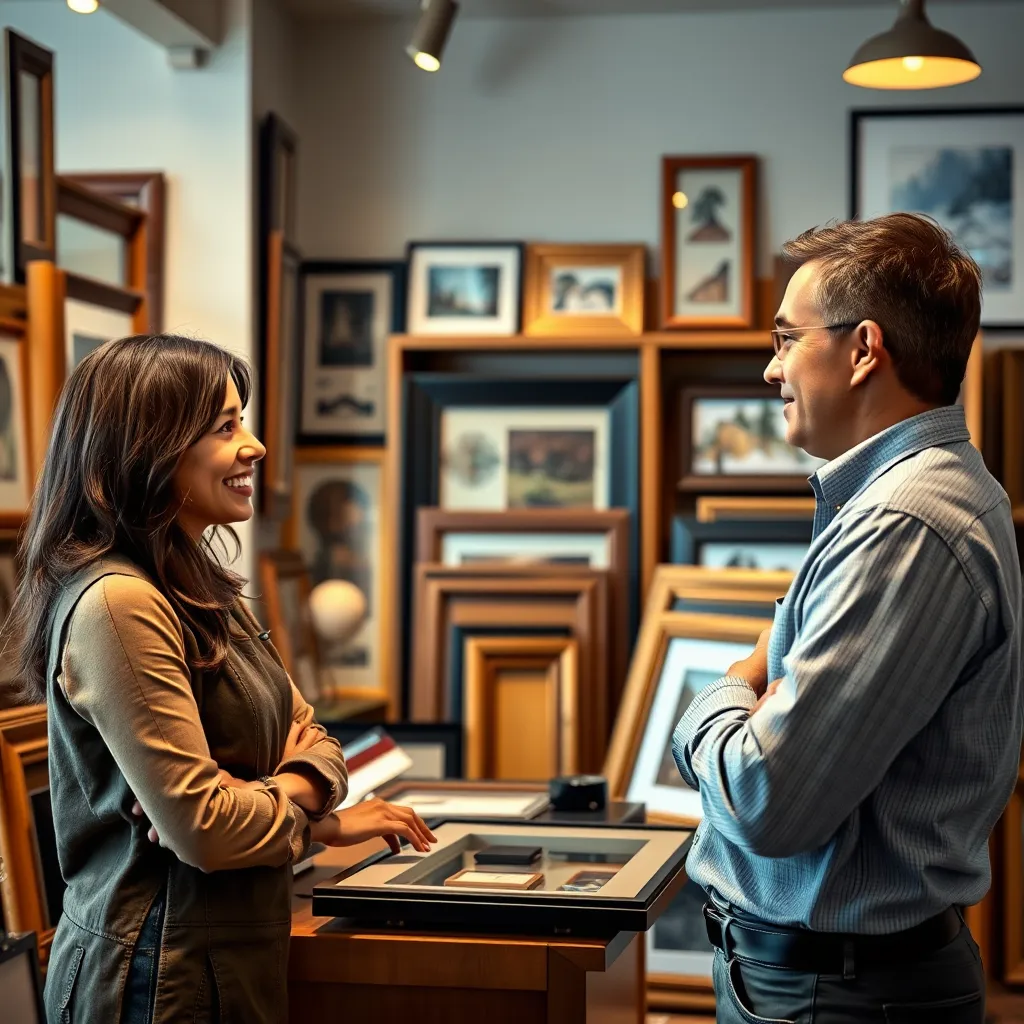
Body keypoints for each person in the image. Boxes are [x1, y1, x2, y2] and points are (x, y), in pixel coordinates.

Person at [5, 334, 436, 1023]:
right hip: (156, 977)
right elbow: (205, 830)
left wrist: (278, 790)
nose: (256, 445)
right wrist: (298, 805)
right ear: (146, 448)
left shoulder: (199, 584)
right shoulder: (120, 603)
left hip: (220, 963)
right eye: (225, 427)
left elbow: (317, 739)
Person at [671, 213, 1022, 1023]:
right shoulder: (909, 500)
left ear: (864, 349)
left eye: (786, 339)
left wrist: (722, 691)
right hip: (829, 985)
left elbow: (766, 797)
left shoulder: (905, 522)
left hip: (835, 997)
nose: (771, 369)